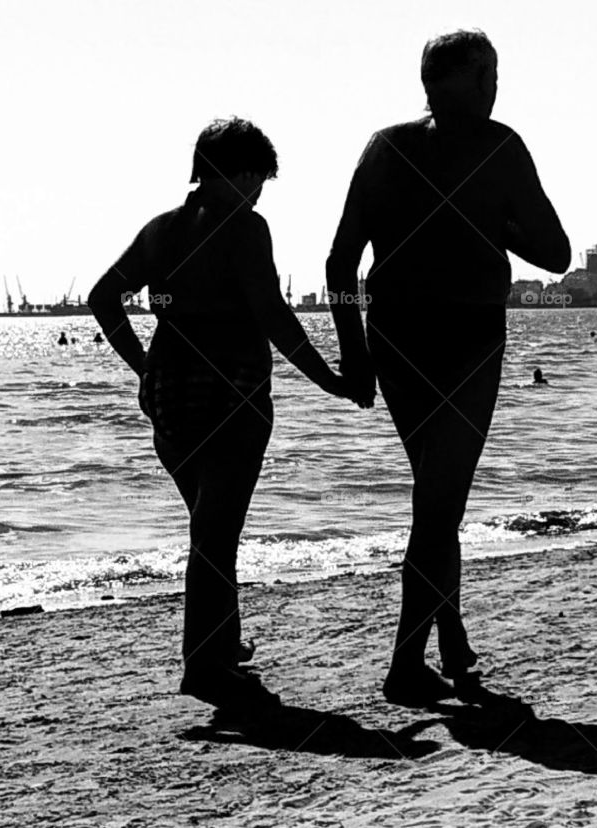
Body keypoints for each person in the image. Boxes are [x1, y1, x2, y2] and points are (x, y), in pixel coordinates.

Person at [326, 30, 569, 706]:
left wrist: (354, 353)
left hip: (394, 338)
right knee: (439, 502)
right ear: (456, 82)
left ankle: (451, 634)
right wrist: (494, 221)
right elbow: (556, 254)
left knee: (438, 495)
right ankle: (406, 663)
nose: (495, 87)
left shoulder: (385, 147)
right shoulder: (499, 147)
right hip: (465, 341)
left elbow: (341, 264)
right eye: (487, 76)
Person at [89, 117, 349, 710]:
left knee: (209, 525)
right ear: (233, 173)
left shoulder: (161, 229)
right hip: (232, 391)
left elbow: (104, 298)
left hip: (170, 392)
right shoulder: (244, 228)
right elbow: (273, 315)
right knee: (216, 533)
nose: (258, 192)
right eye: (255, 177)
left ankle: (221, 645)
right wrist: (330, 380)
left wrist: (143, 367)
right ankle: (204, 666)